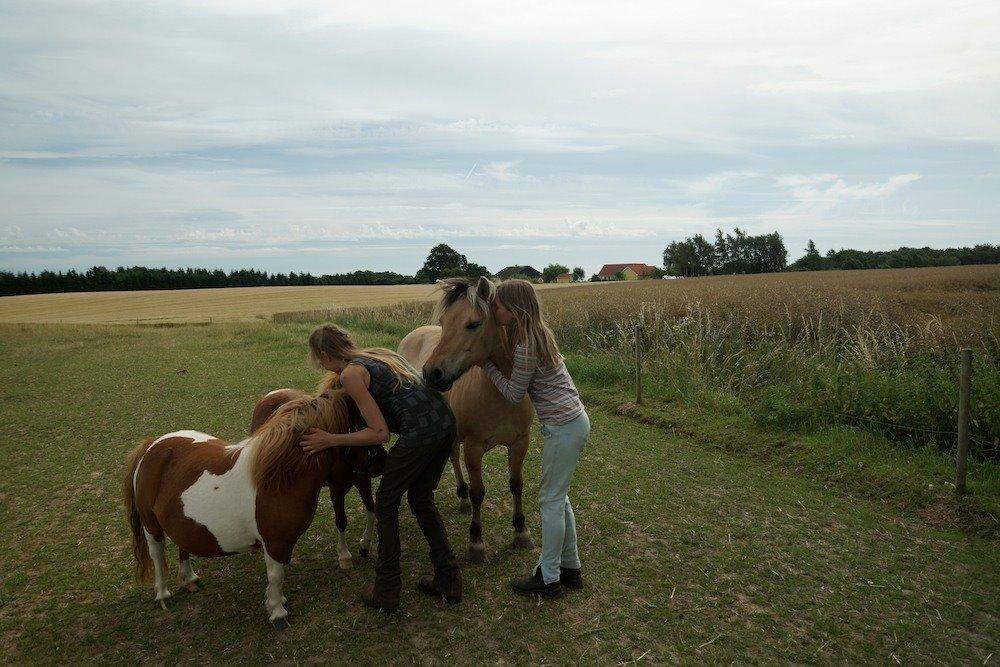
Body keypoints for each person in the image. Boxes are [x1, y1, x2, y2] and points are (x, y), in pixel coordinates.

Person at [299, 323, 460, 612]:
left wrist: (328, 439)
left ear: (323, 354)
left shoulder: (351, 374)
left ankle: (386, 589)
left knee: (385, 503)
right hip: (446, 423)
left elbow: (379, 434)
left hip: (420, 433)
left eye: (317, 358)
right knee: (421, 499)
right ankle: (447, 578)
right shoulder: (379, 355)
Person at [481, 279, 590, 598]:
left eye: (499, 306)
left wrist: (487, 366)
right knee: (560, 497)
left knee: (550, 500)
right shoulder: (538, 333)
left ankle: (549, 576)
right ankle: (570, 568)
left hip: (564, 426)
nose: (495, 311)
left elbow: (515, 394)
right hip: (572, 422)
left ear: (514, 310)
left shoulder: (526, 344)